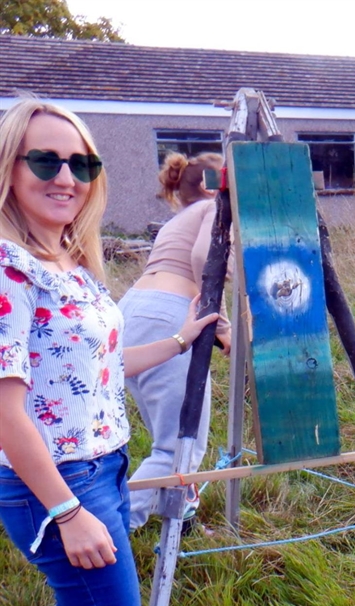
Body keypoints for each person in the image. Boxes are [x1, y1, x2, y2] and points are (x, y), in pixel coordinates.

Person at [0, 97, 219, 606]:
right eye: (45, 162)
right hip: (61, 484)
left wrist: (180, 340)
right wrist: (65, 512)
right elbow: (4, 413)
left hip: (104, 468)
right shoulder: (8, 266)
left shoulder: (64, 259)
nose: (66, 178)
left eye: (82, 164)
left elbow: (96, 368)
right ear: (8, 168)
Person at [118, 151, 231, 532]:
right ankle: (114, 532)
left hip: (131, 312)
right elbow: (204, 257)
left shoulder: (178, 218)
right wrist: (221, 324)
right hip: (168, 316)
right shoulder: (216, 207)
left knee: (169, 439)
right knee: (177, 447)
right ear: (210, 185)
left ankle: (180, 515)